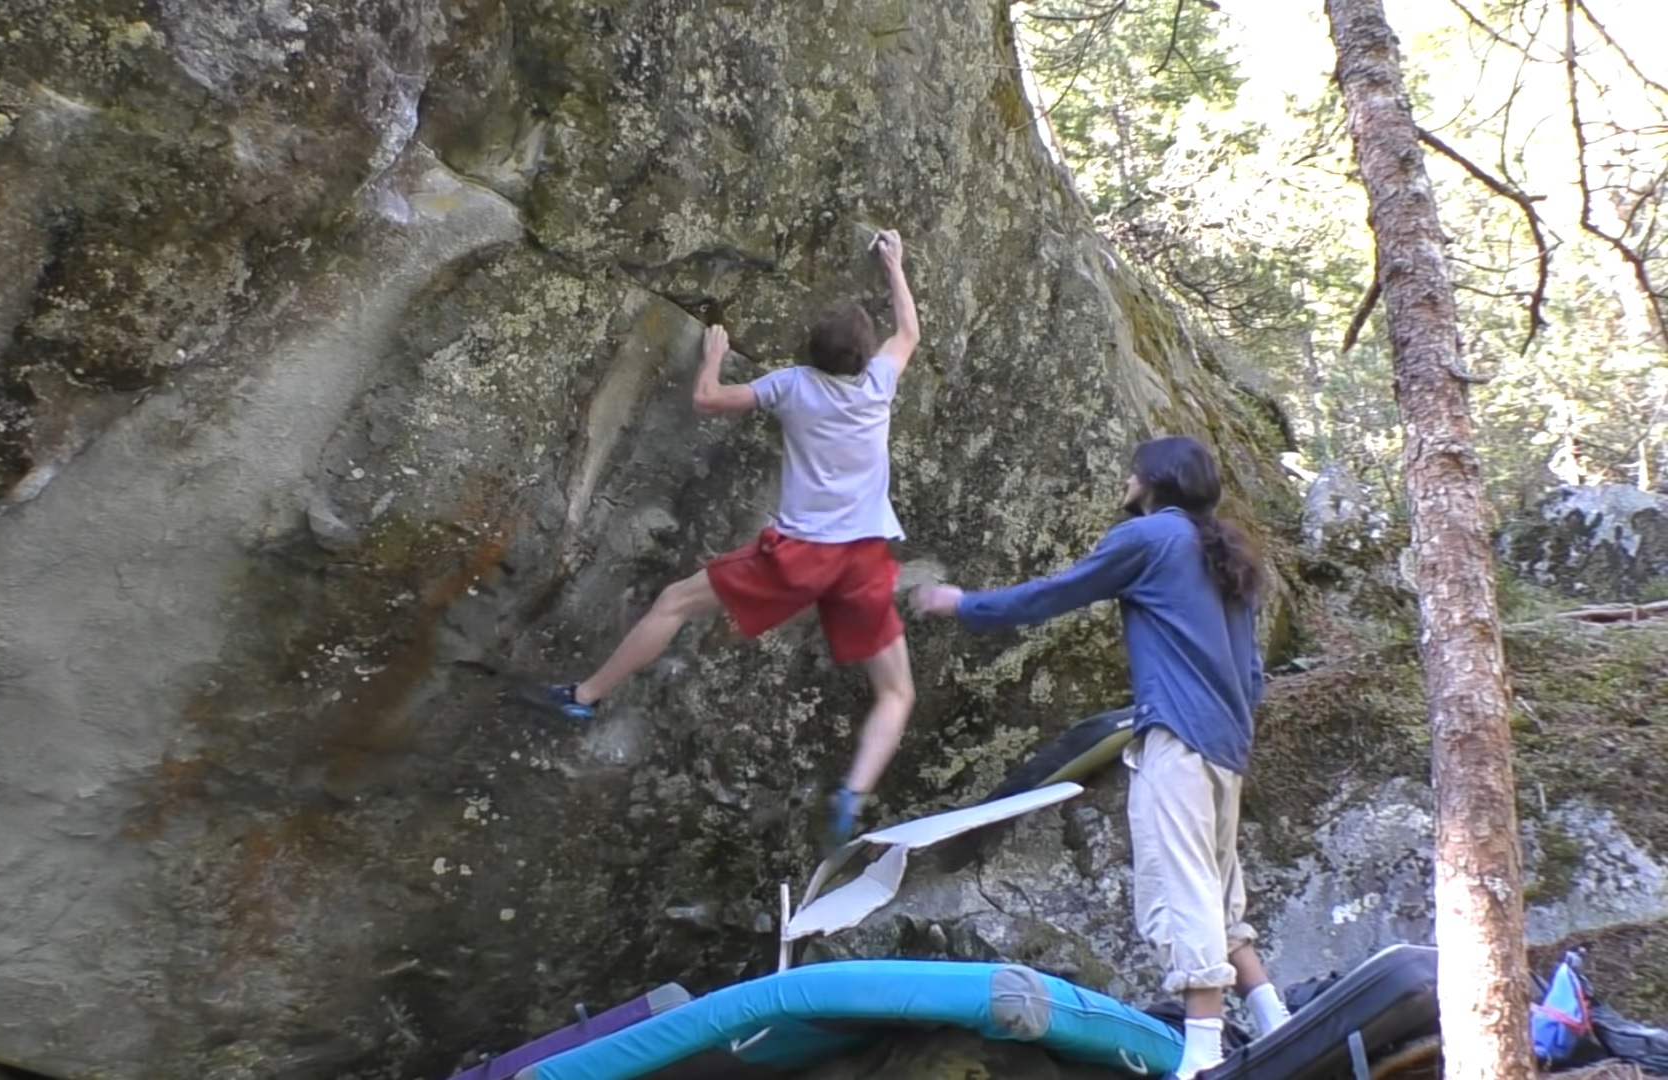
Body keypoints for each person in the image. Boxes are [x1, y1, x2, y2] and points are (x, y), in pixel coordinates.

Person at [911, 435, 1291, 1078]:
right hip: (1225, 745)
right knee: (1216, 887)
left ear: (1154, 478)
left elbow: (1054, 594)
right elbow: (1251, 673)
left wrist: (962, 604)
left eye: (1133, 467)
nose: (1126, 475)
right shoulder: (1225, 553)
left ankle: (1203, 1050)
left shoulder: (1149, 539)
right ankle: (1272, 1013)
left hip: (1175, 736)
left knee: (1183, 887)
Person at [525, 230, 921, 845]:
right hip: (863, 561)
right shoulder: (878, 386)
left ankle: (585, 694)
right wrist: (893, 264)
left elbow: (708, 401)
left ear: (810, 350)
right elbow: (909, 333)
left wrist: (712, 352)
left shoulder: (790, 385)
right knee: (895, 691)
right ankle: (854, 792)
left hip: (798, 556)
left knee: (675, 602)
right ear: (863, 358)